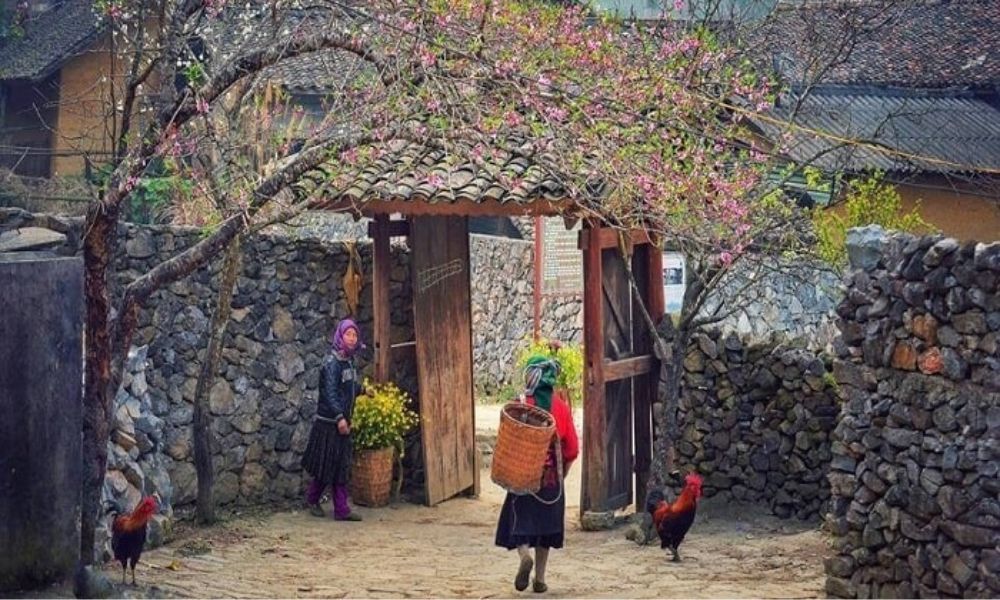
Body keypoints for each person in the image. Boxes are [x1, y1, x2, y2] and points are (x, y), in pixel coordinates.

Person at [494, 355, 579, 593]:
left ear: (530, 376)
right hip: (550, 481)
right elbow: (572, 447)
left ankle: (523, 555)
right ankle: (540, 579)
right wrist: (563, 474)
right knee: (546, 529)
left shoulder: (519, 405)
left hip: (523, 477)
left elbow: (505, 440)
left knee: (519, 521)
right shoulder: (560, 407)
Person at [301, 318, 364, 521]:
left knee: (341, 466)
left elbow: (348, 388)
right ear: (340, 336)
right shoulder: (331, 362)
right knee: (326, 466)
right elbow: (330, 392)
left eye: (354, 335)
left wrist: (363, 390)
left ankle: (341, 509)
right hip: (329, 424)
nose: (352, 338)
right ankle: (312, 499)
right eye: (348, 334)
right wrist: (339, 418)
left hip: (343, 423)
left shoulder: (348, 361)